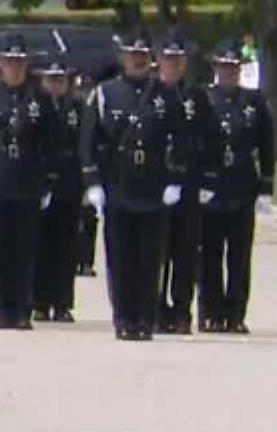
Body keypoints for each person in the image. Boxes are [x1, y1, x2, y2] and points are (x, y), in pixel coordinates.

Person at [82, 29, 188, 342]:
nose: (138, 60)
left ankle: (146, 318)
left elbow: (180, 139)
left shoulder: (166, 95)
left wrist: (175, 180)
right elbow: (89, 141)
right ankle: (123, 318)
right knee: (120, 258)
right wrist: (92, 182)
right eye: (133, 55)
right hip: (118, 184)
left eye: (143, 55)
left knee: (149, 258)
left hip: (153, 187)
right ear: (123, 58)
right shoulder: (105, 94)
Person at [0, 36, 53, 330]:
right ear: (1, 65)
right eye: (9, 62)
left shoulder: (40, 100)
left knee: (25, 250)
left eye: (20, 62)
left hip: (28, 182)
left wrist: (48, 183)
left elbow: (49, 143)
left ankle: (22, 308)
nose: (15, 68)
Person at [200, 42, 275, 334]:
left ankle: (235, 313)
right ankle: (210, 310)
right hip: (211, 186)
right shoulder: (204, 99)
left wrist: (266, 186)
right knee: (209, 254)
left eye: (233, 68)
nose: (228, 73)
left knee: (239, 256)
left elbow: (266, 145)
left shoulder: (254, 102)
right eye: (223, 67)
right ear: (215, 69)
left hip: (242, 186)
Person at [153, 31, 214, 335]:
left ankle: (180, 310)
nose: (172, 66)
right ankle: (155, 308)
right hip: (155, 183)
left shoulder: (195, 96)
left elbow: (211, 138)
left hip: (188, 182)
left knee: (185, 251)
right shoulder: (150, 93)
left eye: (177, 61)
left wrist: (207, 180)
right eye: (167, 60)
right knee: (155, 250)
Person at [34, 60, 85, 322]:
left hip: (69, 182)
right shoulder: (35, 106)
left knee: (66, 247)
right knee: (41, 244)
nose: (55, 85)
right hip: (41, 183)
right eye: (51, 79)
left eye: (60, 79)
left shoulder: (77, 107)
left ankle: (63, 302)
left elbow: (84, 144)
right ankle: (40, 301)